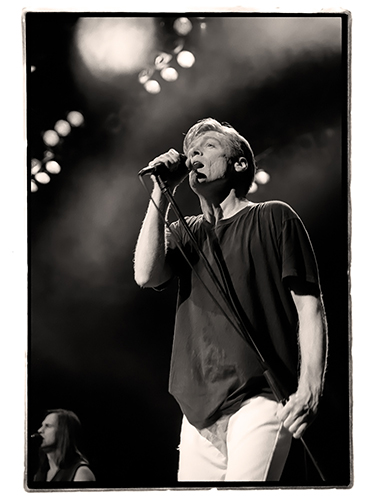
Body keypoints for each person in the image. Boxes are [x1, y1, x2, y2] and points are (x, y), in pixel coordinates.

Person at [134, 118, 328, 482]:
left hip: (260, 396)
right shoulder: (186, 231)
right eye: (190, 151)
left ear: (239, 164)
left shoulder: (274, 217)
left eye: (207, 147)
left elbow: (310, 307)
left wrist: (310, 387)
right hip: (197, 408)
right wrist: (160, 190)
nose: (194, 156)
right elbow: (146, 275)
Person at [33, 409, 96, 482]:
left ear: (63, 432)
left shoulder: (81, 473)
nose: (39, 430)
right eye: (42, 425)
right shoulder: (40, 474)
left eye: (48, 426)